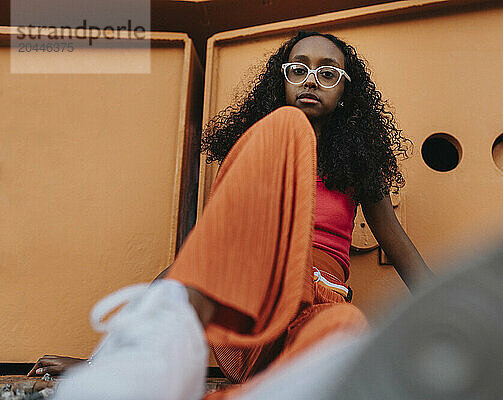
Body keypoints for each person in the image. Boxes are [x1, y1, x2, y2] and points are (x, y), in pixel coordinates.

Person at [29, 30, 433, 396]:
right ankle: (137, 372)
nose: (311, 79)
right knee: (286, 128)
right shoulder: (263, 145)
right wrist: (103, 363)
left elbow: (401, 250)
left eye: (328, 74)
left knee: (348, 328)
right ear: (282, 82)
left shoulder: (359, 167)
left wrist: (473, 328)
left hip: (312, 313)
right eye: (298, 70)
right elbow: (203, 260)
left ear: (345, 93)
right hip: (252, 313)